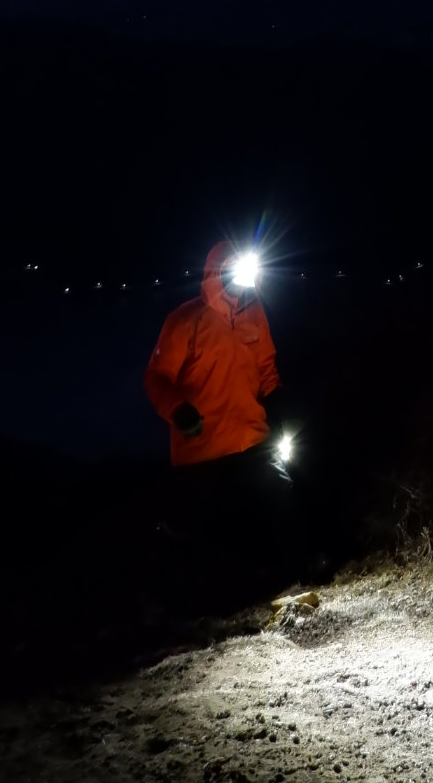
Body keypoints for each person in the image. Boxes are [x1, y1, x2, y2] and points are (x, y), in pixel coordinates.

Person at [144, 239, 292, 601]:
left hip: (253, 439)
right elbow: (156, 378)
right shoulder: (184, 320)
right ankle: (202, 605)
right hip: (202, 451)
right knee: (208, 538)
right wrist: (179, 410)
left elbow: (267, 368)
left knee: (281, 502)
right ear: (215, 272)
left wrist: (280, 402)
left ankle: (289, 578)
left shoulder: (255, 312)